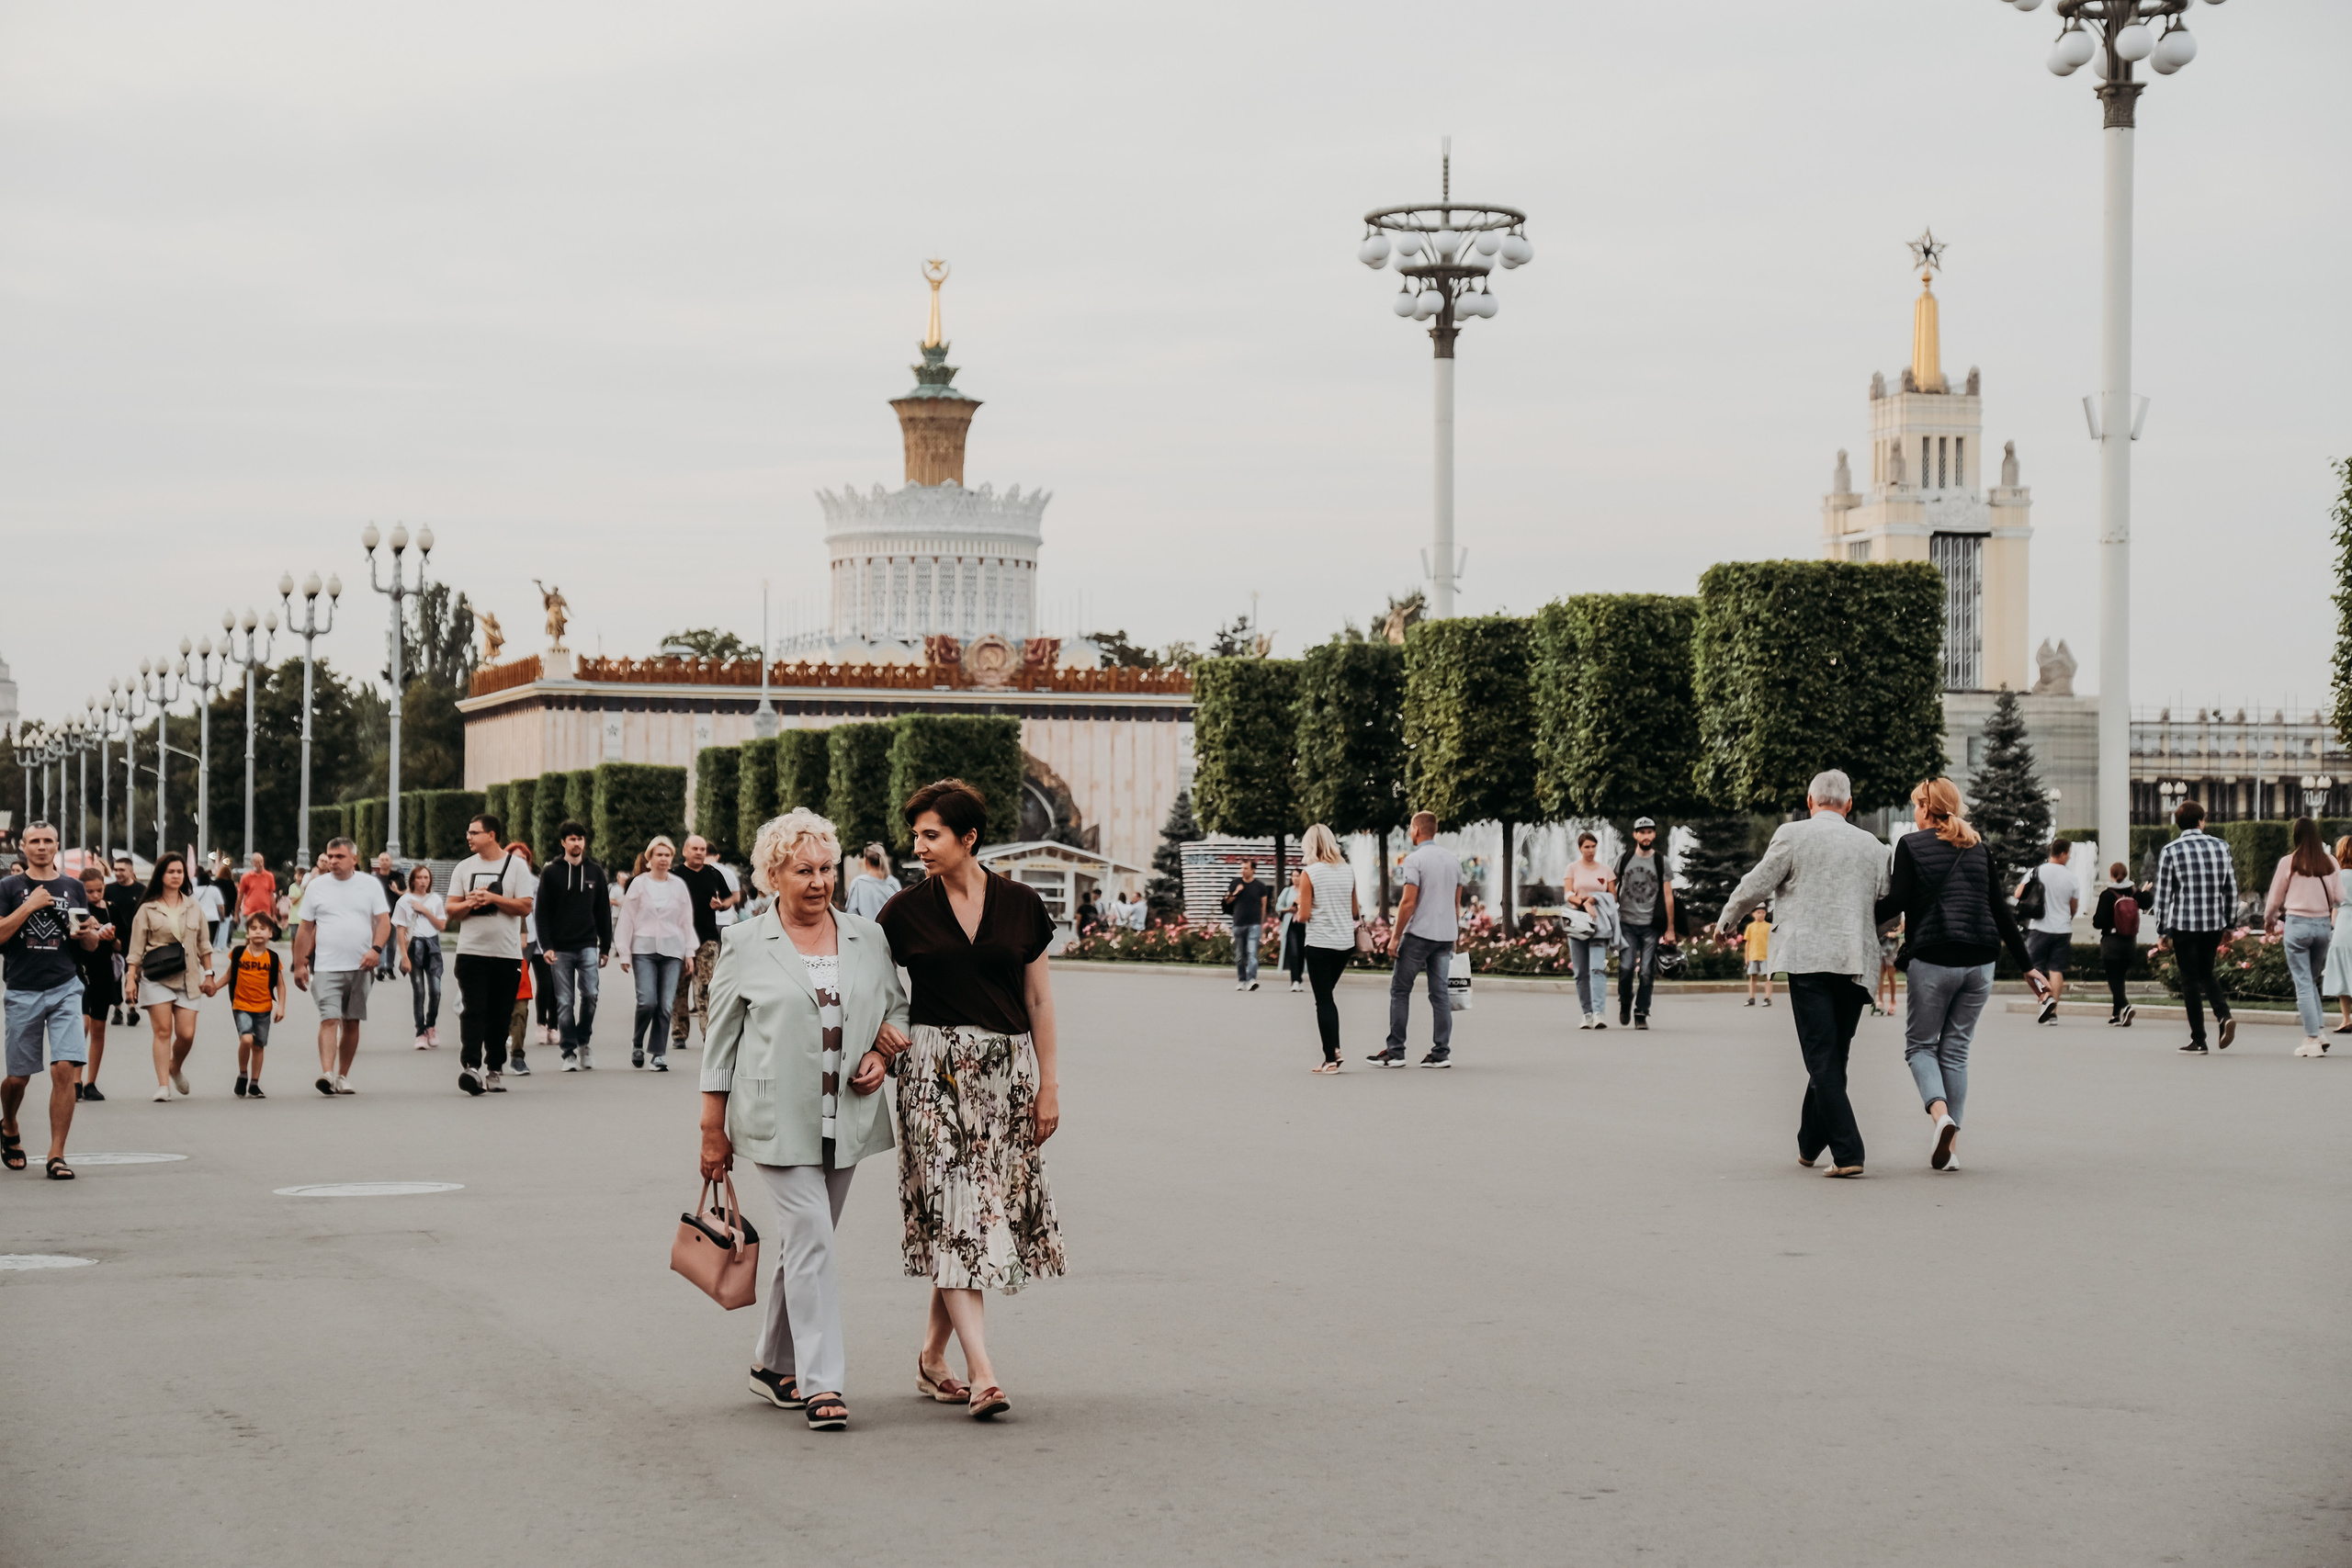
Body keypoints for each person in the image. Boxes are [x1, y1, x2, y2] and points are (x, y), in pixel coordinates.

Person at [699, 808, 910, 1432]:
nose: (819, 882)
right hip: (773, 1118)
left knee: (807, 1241)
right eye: (803, 871)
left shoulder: (867, 937)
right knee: (814, 1235)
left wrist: (879, 1051)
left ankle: (771, 1361)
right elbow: (719, 1046)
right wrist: (712, 1132)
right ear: (773, 876)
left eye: (825, 869)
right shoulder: (743, 943)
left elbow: (896, 1006)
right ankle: (822, 1382)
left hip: (845, 1117)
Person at [876, 777, 1064, 1422]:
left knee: (975, 1216)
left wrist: (1049, 1084)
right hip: (930, 1073)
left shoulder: (1022, 904)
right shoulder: (902, 911)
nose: (919, 846)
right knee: (961, 1209)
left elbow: (1039, 1000)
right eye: (917, 835)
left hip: (1005, 1075)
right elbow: (866, 983)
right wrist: (878, 1032)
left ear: (969, 837)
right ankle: (983, 1374)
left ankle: (933, 1356)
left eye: (931, 834)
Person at [1715, 770, 1891, 1179]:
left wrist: (1728, 918)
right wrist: (1869, 930)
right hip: (1855, 961)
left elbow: (1757, 884)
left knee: (1820, 1056)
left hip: (1807, 957)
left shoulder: (1793, 835)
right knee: (1834, 1054)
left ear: (1810, 801)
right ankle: (1810, 1143)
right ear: (1849, 805)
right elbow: (1889, 909)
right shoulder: (1874, 847)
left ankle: (1848, 1151)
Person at [1874, 779, 2043, 1173]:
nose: (1913, 812)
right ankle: (1951, 1149)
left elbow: (1897, 903)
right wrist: (2027, 965)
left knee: (1919, 1047)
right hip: (1982, 960)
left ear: (1926, 807)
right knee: (1956, 1050)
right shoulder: (1977, 847)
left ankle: (1941, 1118)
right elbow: (2001, 912)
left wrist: (1856, 914)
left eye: (1916, 805)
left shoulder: (1911, 845)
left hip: (1935, 956)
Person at [1, 822, 107, 1179]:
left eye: (48, 841)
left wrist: (89, 933)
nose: (42, 847)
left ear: (58, 846)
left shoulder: (73, 887)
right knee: (17, 1078)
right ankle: (10, 1124)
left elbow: (88, 944)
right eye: (35, 842)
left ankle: (56, 1154)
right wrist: (29, 906)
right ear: (24, 846)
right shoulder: (9, 887)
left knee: (64, 1068)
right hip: (22, 988)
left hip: (65, 986)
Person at [290, 837, 391, 1096]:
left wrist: (376, 950)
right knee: (329, 1018)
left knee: (352, 1021)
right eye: (330, 856)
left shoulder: (370, 885)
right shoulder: (317, 887)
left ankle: (342, 1075)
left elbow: (384, 922)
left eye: (339, 857)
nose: (333, 861)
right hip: (326, 966)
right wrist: (300, 963)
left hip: (361, 965)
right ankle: (326, 1073)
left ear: (354, 859)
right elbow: (305, 928)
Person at [445, 814, 537, 1095]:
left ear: (491, 835)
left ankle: (494, 1068)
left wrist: (493, 898)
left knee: (499, 1014)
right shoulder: (464, 867)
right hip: (471, 951)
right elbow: (450, 909)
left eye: (474, 832)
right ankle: (471, 1067)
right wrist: (471, 902)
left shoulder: (517, 868)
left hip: (506, 954)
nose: (469, 837)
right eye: (468, 832)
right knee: (473, 1010)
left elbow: (525, 907)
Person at [125, 855, 220, 1102]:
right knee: (163, 1031)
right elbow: (135, 949)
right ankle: (163, 1085)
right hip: (156, 977)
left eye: (179, 871)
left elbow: (204, 944)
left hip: (188, 976)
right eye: (170, 872)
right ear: (161, 876)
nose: (176, 876)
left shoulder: (193, 906)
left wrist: (209, 975)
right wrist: (131, 979)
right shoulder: (147, 909)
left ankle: (174, 1066)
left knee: (186, 1034)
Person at [2150, 798, 2238, 1055]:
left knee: (2189, 980)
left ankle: (2199, 1039)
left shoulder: (2171, 850)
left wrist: (2162, 931)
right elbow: (2230, 889)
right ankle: (2223, 1016)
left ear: (2178, 824)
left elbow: (2163, 895)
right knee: (2207, 973)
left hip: (2184, 924)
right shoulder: (2221, 847)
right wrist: (2229, 926)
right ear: (2200, 821)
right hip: (2213, 923)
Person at [1374, 812, 1460, 1067]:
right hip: (1445, 936)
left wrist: (1394, 937)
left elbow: (1408, 902)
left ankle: (1396, 1051)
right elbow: (1457, 904)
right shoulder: (1453, 860)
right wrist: (1455, 937)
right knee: (1440, 994)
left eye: (1410, 829)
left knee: (1400, 991)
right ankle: (1441, 1053)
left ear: (1417, 830)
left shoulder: (1415, 860)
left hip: (1419, 935)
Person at [535, 819, 612, 1070]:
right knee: (565, 1001)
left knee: (591, 995)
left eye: (580, 838)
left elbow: (602, 911)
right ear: (563, 842)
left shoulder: (595, 872)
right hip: (559, 948)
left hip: (588, 944)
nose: (576, 843)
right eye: (572, 838)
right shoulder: (551, 872)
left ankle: (583, 1041)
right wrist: (546, 945)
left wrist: (605, 947)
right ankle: (568, 1052)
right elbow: (542, 912)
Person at [2264, 818, 2343, 1057]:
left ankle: (2312, 1039)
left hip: (2297, 924)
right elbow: (2340, 897)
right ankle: (2319, 1031)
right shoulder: (2329, 862)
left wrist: (2269, 920)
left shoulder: (2289, 862)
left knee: (2303, 983)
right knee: (2311, 980)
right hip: (2322, 926)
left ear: (2296, 836)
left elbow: (2275, 899)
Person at [616, 834, 695, 1071]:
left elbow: (685, 920)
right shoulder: (639, 884)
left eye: (667, 855)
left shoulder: (678, 886)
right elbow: (627, 919)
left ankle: (658, 1053)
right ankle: (638, 1042)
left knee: (665, 1004)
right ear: (649, 858)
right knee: (648, 1001)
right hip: (644, 949)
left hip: (672, 949)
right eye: (658, 854)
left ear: (672, 859)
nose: (663, 859)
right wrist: (624, 952)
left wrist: (689, 951)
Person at [1293, 824, 1360, 1073]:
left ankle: (1330, 1058)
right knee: (1327, 998)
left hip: (1320, 943)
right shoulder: (1348, 870)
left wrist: (1299, 900)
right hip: (1344, 944)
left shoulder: (1310, 873)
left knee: (1323, 1000)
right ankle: (1335, 1048)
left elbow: (1304, 915)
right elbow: (1354, 910)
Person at [670, 833, 741, 1053]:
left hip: (707, 938)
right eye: (695, 849)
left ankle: (708, 1034)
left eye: (702, 849)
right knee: (680, 988)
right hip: (679, 940)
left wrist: (722, 905)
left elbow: (731, 898)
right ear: (685, 852)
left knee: (706, 988)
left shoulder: (713, 873)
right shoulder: (675, 875)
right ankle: (679, 1033)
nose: (699, 853)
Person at [1613, 817, 1679, 1031]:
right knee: (1626, 968)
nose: (1646, 836)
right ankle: (1625, 1000)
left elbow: (1668, 895)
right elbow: (1611, 886)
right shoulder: (1624, 859)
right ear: (1635, 835)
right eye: (1642, 832)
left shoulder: (1661, 861)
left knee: (1646, 972)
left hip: (1651, 924)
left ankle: (1641, 1012)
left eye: (1649, 832)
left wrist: (1670, 929)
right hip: (1626, 923)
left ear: (1654, 834)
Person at [72, 864, 122, 1100]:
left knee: (99, 1028)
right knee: (83, 1025)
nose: (95, 895)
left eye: (99, 890)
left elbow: (123, 945)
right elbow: (71, 941)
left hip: (104, 972)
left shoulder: (111, 909)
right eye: (89, 891)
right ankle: (75, 1080)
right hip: (81, 970)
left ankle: (91, 1082)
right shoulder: (77, 911)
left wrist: (112, 939)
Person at [2017, 839, 2079, 1022]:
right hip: (2062, 929)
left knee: (2032, 968)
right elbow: (2073, 907)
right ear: (2063, 853)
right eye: (2069, 853)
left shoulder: (2036, 871)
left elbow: (2018, 894)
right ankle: (2052, 1012)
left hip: (2039, 927)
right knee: (2056, 970)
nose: (2069, 857)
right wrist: (2066, 919)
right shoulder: (2072, 877)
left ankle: (2046, 998)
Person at [224, 913, 285, 1098]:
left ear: (270, 933)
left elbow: (280, 985)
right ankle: (243, 1074)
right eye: (253, 928)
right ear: (247, 933)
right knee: (247, 1039)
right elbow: (228, 976)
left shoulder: (272, 958)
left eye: (263, 928)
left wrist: (280, 1006)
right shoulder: (239, 954)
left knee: (259, 1046)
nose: (258, 932)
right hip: (241, 1004)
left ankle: (254, 1083)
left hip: (264, 1008)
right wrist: (212, 986)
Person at [1565, 830, 1616, 1027]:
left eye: (1593, 846)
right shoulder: (1572, 868)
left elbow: (1613, 896)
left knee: (1597, 968)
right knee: (1580, 972)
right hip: (1578, 922)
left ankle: (1599, 1013)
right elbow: (1567, 893)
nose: (1590, 850)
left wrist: (1594, 900)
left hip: (1599, 923)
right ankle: (1586, 1013)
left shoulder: (1606, 870)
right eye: (1586, 847)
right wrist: (1584, 902)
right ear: (1580, 848)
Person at [394, 863, 447, 1049]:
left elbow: (441, 925)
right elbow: (400, 930)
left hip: (432, 946)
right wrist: (404, 956)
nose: (423, 881)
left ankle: (431, 1025)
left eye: (426, 877)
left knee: (436, 991)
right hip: (414, 945)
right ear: (413, 880)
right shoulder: (404, 901)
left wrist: (425, 911)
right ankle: (420, 1032)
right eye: (420, 877)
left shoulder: (435, 900)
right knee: (419, 991)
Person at [2089, 861, 2141, 1027]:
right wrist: (2143, 892)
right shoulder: (2134, 892)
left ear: (2111, 875)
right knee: (2120, 978)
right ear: (2126, 874)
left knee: (2113, 979)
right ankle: (2115, 1015)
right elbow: (2147, 902)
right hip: (2129, 942)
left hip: (2112, 942)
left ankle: (2125, 1006)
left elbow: (2098, 922)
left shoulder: (2107, 895)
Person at [104, 856, 141, 1026]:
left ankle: (132, 1007)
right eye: (116, 870)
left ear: (131, 871)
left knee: (133, 973)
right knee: (115, 974)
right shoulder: (108, 890)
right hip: (113, 939)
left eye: (121, 870)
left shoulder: (142, 891)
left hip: (136, 939)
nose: (118, 873)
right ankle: (117, 1008)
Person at [1223, 858, 1270, 992]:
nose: (1243, 871)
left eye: (1246, 868)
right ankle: (1242, 980)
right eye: (1242, 868)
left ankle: (1251, 980)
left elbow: (1263, 907)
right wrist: (1237, 891)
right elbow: (1228, 901)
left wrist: (1262, 923)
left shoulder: (1260, 886)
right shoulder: (1235, 883)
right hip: (1238, 923)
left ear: (1253, 870)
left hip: (1254, 924)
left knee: (1252, 952)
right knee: (1239, 955)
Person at [2326, 836, 2352, 1036]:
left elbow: (2334, 904)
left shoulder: (2338, 876)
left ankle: (2346, 1019)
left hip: (2344, 923)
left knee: (2343, 972)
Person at [844, 842, 901, 921]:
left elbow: (851, 913)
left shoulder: (858, 883)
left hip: (866, 932)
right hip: (891, 932)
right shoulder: (894, 883)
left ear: (866, 861)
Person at [236, 852, 277, 948]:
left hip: (265, 911)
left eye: (261, 861)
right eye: (257, 862)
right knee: (250, 934)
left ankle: (261, 955)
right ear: (252, 863)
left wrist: (274, 914)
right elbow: (240, 896)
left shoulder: (269, 876)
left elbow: (271, 896)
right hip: (250, 910)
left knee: (264, 934)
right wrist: (237, 913)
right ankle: (247, 953)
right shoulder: (246, 877)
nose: (260, 864)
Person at [1274, 875, 1305, 992]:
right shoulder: (1287, 891)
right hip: (1291, 924)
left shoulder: (1306, 890)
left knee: (1302, 952)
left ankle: (1299, 978)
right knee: (1294, 952)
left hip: (1303, 924)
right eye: (1294, 876)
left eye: (1298, 876)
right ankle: (1294, 980)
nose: (1296, 878)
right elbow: (1278, 906)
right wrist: (1289, 909)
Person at [192, 864, 230, 954]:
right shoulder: (214, 890)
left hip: (199, 918)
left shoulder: (194, 891)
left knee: (199, 938)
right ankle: (207, 954)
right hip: (213, 918)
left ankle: (199, 952)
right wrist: (222, 916)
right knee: (210, 939)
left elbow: (191, 905)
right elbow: (221, 906)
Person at [1743, 904, 1773, 1007]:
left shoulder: (1769, 926)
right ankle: (1752, 997)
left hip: (1766, 956)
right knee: (1753, 977)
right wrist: (1746, 957)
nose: (1761, 915)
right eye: (1758, 912)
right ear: (1753, 914)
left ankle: (1768, 998)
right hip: (1753, 955)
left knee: (1768, 977)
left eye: (1763, 913)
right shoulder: (1750, 927)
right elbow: (1748, 942)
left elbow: (1773, 942)